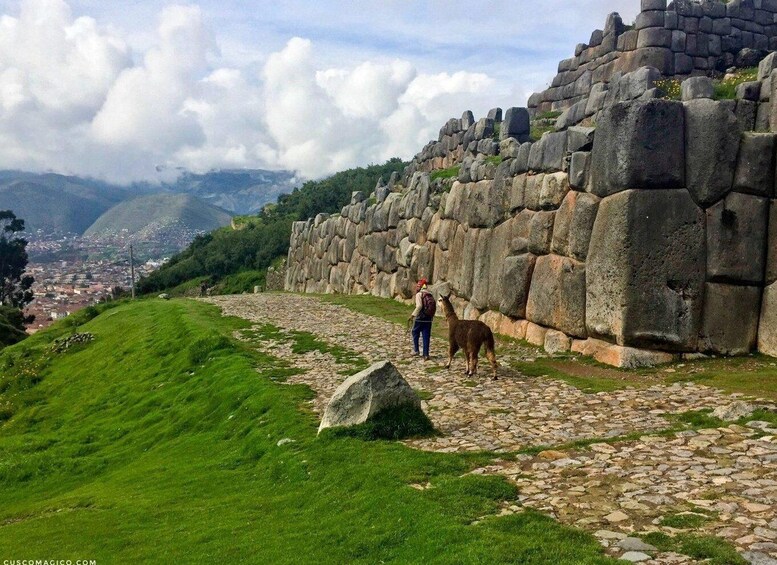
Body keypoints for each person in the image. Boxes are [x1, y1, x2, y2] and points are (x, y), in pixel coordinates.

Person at [408, 278, 435, 360]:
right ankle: (426, 354)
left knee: (415, 332)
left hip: (420, 318)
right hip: (428, 319)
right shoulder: (430, 295)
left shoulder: (419, 294)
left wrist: (412, 315)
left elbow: (419, 306)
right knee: (426, 335)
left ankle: (416, 350)